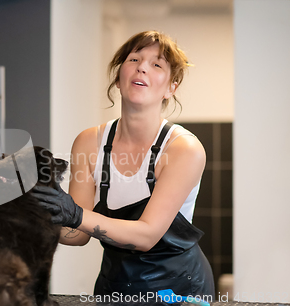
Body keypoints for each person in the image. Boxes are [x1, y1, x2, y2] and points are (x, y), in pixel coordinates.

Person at [32, 30, 215, 299]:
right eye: (134, 59)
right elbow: (76, 234)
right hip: (114, 287)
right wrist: (34, 209)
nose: (142, 67)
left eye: (156, 64)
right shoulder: (88, 142)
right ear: (119, 77)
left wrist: (74, 214)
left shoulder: (183, 149)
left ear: (170, 88)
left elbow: (146, 236)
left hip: (178, 290)